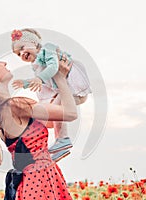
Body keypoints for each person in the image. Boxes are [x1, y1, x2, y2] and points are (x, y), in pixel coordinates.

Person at [0, 54, 76, 200]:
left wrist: (57, 90)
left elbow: (50, 121)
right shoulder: (16, 105)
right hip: (42, 180)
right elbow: (70, 113)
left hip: (31, 182)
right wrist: (60, 78)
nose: (4, 62)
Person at [11, 28, 92, 161]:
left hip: (73, 87)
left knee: (55, 110)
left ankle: (63, 139)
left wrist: (38, 79)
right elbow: (42, 81)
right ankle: (62, 145)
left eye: (22, 48)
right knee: (54, 112)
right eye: (18, 54)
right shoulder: (36, 63)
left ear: (34, 42)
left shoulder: (47, 49)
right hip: (63, 90)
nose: (21, 54)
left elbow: (53, 68)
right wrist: (25, 83)